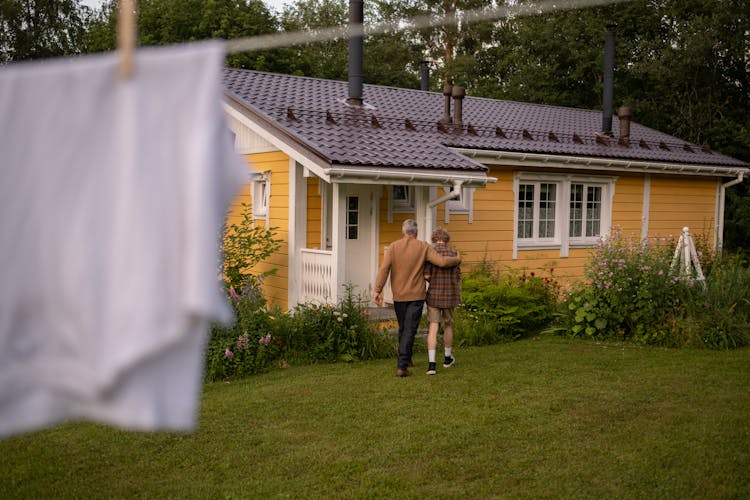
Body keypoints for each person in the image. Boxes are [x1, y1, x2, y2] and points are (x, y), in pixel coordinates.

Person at [374, 219, 461, 377]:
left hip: (399, 295)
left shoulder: (393, 247)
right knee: (409, 329)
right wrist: (456, 260)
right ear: (417, 233)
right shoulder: (423, 246)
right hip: (416, 295)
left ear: (403, 232)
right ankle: (402, 366)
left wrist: (377, 290)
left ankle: (406, 360)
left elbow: (384, 269)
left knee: (403, 328)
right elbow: (441, 262)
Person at [423, 227, 461, 375]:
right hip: (450, 295)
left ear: (434, 239)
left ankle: (432, 365)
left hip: (434, 296)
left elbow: (426, 276)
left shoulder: (431, 253)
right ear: (447, 239)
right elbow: (458, 276)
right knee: (448, 325)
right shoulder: (454, 254)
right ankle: (447, 359)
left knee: (433, 327)